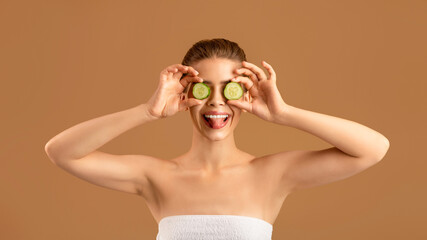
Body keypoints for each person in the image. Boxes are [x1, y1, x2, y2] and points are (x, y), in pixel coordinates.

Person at [44, 38, 390, 240]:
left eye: (230, 89)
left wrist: (284, 113)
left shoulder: (270, 174)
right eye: (205, 88)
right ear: (186, 92)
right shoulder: (156, 176)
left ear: (247, 93)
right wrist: (147, 112)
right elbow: (61, 152)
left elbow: (373, 149)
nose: (216, 102)